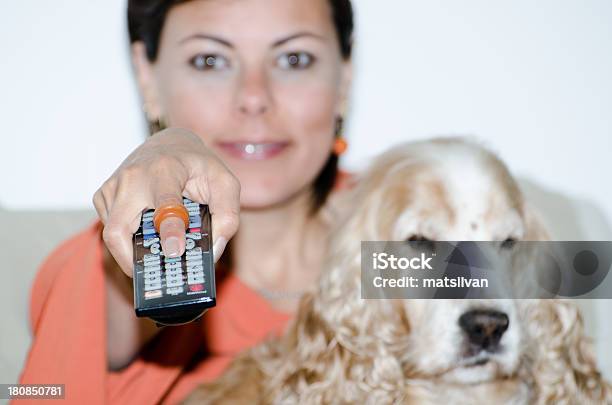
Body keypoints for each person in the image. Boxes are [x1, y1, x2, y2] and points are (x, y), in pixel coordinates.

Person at [17, 0, 354, 403]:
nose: (253, 97)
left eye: (294, 59)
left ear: (344, 79)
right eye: (209, 61)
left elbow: (450, 291)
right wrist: (168, 154)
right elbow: (83, 363)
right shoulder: (103, 263)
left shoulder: (403, 225)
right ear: (147, 76)